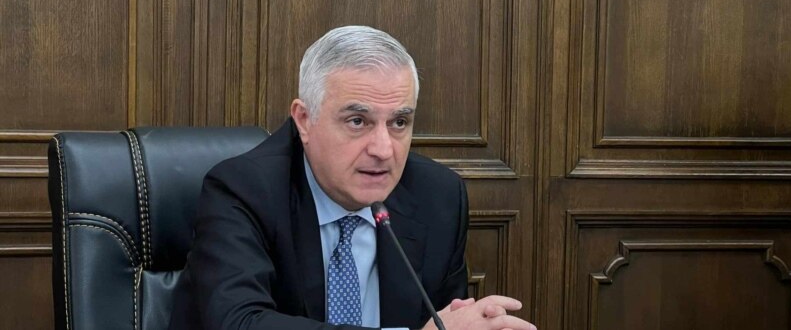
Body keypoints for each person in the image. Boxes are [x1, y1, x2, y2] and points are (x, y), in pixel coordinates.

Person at [168, 26, 536, 330]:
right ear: (304, 120)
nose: (383, 149)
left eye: (399, 122)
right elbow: (239, 322)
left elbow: (443, 319)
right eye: (358, 121)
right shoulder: (242, 190)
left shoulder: (438, 197)